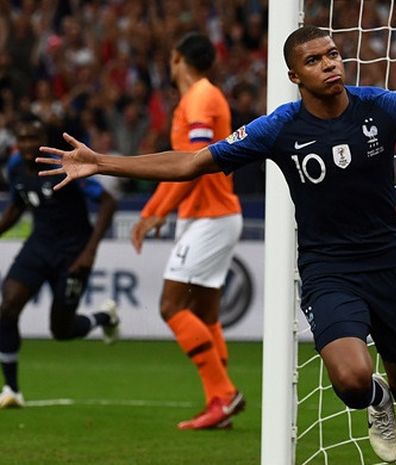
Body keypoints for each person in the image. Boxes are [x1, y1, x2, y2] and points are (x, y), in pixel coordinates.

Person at [36, 25, 396, 464]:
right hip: (328, 267)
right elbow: (191, 161)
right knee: (352, 378)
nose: (329, 65)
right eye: (314, 61)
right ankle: (375, 404)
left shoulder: (381, 106)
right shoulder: (278, 127)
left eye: (333, 55)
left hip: (390, 260)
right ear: (295, 75)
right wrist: (103, 162)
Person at [129, 32, 245, 430]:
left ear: (177, 58)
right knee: (205, 313)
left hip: (210, 216)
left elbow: (195, 166)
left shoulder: (199, 98)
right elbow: (178, 168)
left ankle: (224, 394)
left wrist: (158, 213)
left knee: (171, 307)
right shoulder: (198, 98)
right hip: (208, 214)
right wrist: (151, 212)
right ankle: (218, 402)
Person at [0, 115, 118, 408]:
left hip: (73, 253)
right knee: (7, 307)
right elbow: (18, 204)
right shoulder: (15, 167)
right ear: (17, 143)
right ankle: (12, 389)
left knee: (61, 331)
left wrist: (89, 252)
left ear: (44, 141)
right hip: (39, 246)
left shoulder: (62, 165)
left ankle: (104, 317)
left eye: (33, 138)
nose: (28, 144)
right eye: (23, 138)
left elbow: (108, 203)